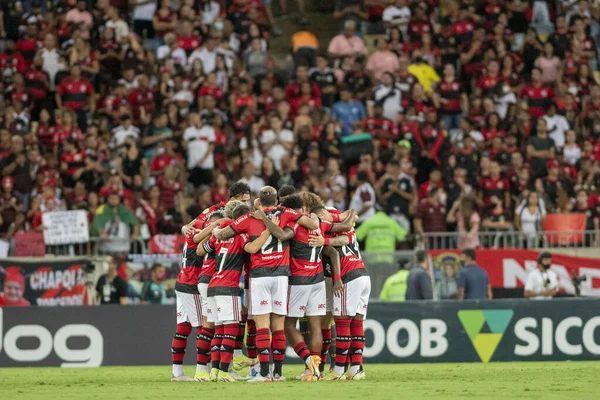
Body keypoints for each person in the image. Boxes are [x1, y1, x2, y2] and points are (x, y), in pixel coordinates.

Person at [213, 186, 319, 382]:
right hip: (282, 275)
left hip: (259, 275)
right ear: (277, 201)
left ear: (259, 202)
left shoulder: (248, 218)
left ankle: (263, 374)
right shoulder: (286, 213)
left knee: (262, 325)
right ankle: (277, 373)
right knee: (278, 326)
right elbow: (312, 224)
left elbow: (221, 235)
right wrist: (315, 220)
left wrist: (218, 224)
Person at [172, 182, 251, 382]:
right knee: (209, 326)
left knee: (193, 326)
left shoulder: (219, 224)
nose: (246, 206)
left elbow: (195, 237)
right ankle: (206, 369)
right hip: (199, 280)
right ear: (234, 198)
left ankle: (194, 371)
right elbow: (193, 231)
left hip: (194, 279)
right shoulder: (217, 217)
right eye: (244, 201)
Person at [196, 204, 272, 382]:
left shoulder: (219, 238)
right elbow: (252, 248)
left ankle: (214, 371)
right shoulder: (240, 236)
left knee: (219, 332)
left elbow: (200, 250)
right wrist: (268, 231)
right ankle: (224, 372)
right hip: (227, 287)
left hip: (213, 285)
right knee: (230, 332)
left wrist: (214, 230)